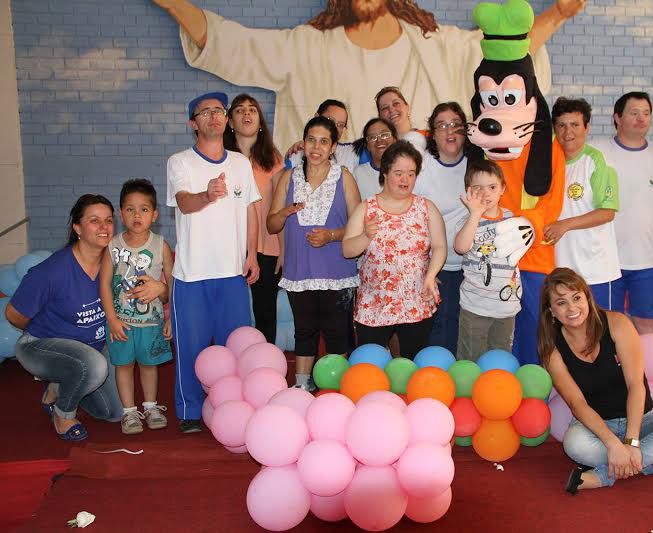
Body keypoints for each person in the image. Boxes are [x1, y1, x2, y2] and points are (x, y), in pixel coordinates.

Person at [153, 0, 586, 149]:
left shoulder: (437, 45)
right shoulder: (306, 47)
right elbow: (231, 44)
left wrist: (558, 14)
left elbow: (505, 56)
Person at [538, 267, 653, 494]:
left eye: (576, 298)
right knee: (574, 445)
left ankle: (603, 476)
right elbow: (577, 403)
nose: (572, 308)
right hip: (595, 427)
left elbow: (636, 385)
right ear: (551, 311)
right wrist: (613, 444)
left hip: (640, 421)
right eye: (561, 302)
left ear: (587, 298)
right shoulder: (551, 348)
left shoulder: (617, 323)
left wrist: (631, 442)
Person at [167, 91, 261, 433]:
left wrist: (252, 254)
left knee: (235, 348)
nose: (214, 116)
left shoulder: (240, 163)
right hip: (192, 275)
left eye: (219, 110)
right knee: (191, 349)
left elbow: (250, 210)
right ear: (193, 123)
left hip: (232, 274)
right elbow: (183, 203)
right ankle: (190, 411)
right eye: (205, 112)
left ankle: (232, 407)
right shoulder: (180, 162)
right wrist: (207, 195)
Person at [6, 195, 126, 441]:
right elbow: (13, 315)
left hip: (93, 348)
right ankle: (63, 414)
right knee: (94, 366)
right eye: (94, 220)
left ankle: (59, 385)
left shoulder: (115, 262)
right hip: (38, 345)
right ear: (77, 228)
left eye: (108, 220)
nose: (104, 227)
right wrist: (52, 332)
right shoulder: (51, 271)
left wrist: (160, 288)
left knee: (113, 413)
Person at [268, 116, 361, 392]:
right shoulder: (289, 177)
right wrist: (285, 212)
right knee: (304, 331)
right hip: (299, 271)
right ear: (303, 142)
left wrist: (331, 235)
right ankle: (301, 387)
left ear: (333, 147)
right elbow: (272, 224)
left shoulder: (344, 177)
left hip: (337, 272)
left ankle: (336, 390)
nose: (316, 147)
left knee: (337, 334)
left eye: (323, 141)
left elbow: (358, 226)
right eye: (311, 140)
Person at [343, 140, 447, 357]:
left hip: (416, 300)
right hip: (375, 302)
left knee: (413, 363)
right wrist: (365, 236)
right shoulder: (367, 208)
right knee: (370, 363)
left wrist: (431, 275)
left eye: (411, 173)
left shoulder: (426, 207)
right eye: (398, 173)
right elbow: (347, 250)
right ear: (385, 172)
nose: (405, 179)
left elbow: (439, 247)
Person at [594, 92, 653, 334]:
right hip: (607, 258)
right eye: (634, 113)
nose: (641, 119)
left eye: (646, 113)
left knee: (646, 324)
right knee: (606, 325)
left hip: (648, 258)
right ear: (617, 118)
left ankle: (648, 362)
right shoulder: (597, 151)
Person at [99, 179, 174, 435]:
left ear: (154, 214)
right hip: (121, 323)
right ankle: (129, 412)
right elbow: (104, 283)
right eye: (130, 209)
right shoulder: (113, 246)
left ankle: (151, 407)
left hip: (151, 322)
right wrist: (111, 319)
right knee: (123, 366)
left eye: (144, 209)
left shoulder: (160, 245)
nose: (137, 215)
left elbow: (172, 284)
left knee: (149, 366)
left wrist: (171, 318)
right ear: (121, 214)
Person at [546, 97, 621, 311]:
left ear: (586, 128)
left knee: (602, 327)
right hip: (560, 271)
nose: (568, 132)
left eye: (575, 125)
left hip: (595, 270)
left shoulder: (597, 161)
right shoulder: (548, 164)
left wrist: (565, 225)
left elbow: (607, 212)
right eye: (561, 125)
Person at [224, 93, 285, 343]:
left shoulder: (273, 158)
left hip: (267, 246)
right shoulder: (221, 159)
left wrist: (283, 250)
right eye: (239, 110)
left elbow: (280, 208)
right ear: (230, 122)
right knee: (229, 313)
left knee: (265, 312)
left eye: (252, 109)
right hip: (230, 246)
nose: (246, 113)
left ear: (260, 120)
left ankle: (266, 361)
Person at [414, 102, 471, 354]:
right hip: (433, 265)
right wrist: (426, 266)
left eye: (456, 125)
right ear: (433, 134)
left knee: (461, 329)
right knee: (435, 331)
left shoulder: (476, 164)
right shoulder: (422, 167)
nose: (450, 131)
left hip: (470, 267)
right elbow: (411, 216)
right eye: (442, 125)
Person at [453, 160, 520, 359]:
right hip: (475, 306)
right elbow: (460, 247)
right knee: (471, 360)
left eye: (492, 187)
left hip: (506, 307)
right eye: (478, 188)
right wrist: (475, 214)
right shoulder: (467, 222)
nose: (485, 193)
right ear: (469, 191)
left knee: (500, 359)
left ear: (502, 189)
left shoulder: (512, 218)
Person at [287, 99, 361, 173]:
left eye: (340, 125)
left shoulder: (353, 152)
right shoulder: (296, 156)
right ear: (316, 117)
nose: (334, 127)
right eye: (330, 120)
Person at [352, 117, 398, 200]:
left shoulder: (407, 170)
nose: (379, 140)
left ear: (394, 140)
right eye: (372, 137)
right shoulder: (358, 174)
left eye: (384, 135)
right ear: (367, 146)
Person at [374, 87, 427, 153]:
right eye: (385, 108)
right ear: (380, 117)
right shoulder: (379, 147)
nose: (391, 110)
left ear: (407, 107)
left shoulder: (429, 138)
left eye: (396, 103)